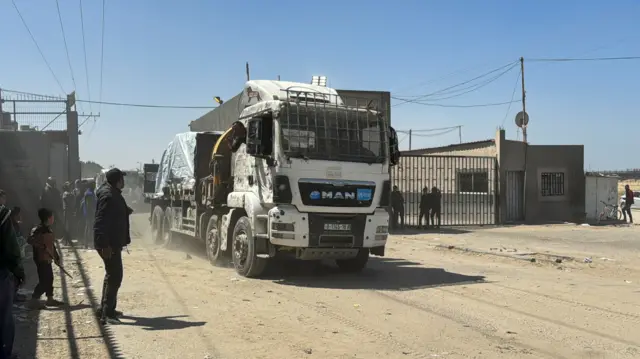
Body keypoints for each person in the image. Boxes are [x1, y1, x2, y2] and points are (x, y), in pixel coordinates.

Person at [94, 168, 131, 325]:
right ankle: (107, 314)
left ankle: (105, 308)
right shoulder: (109, 196)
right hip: (109, 243)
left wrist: (124, 211)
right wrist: (104, 245)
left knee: (111, 275)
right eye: (122, 178)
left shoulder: (112, 193)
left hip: (112, 242)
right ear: (117, 180)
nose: (124, 181)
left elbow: (111, 214)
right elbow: (101, 221)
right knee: (115, 276)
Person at [0, 190, 25, 359]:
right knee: (3, 316)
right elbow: (11, 248)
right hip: (1, 272)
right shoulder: (3, 215)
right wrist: (19, 271)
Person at [27, 208, 65, 309]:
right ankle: (34, 299)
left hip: (48, 258)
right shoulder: (37, 229)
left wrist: (56, 257)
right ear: (48, 218)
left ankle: (50, 299)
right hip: (40, 259)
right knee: (44, 280)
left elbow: (52, 245)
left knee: (50, 278)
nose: (53, 218)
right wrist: (41, 246)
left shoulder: (48, 229)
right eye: (52, 216)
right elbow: (30, 240)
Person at [81, 182, 97, 249]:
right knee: (89, 228)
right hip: (90, 214)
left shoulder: (89, 192)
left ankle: (87, 243)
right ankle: (88, 243)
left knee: (88, 228)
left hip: (89, 213)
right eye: (94, 185)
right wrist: (93, 211)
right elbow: (89, 205)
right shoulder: (89, 193)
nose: (95, 186)